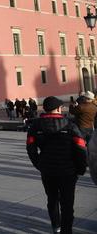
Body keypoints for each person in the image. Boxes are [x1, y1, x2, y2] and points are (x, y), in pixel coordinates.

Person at [26, 96, 87, 234]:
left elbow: (30, 148)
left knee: (52, 200)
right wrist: (80, 169)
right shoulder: (70, 125)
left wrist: (39, 164)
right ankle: (66, 230)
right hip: (68, 172)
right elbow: (81, 148)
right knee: (67, 204)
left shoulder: (35, 126)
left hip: (47, 171)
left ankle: (56, 227)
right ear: (59, 108)